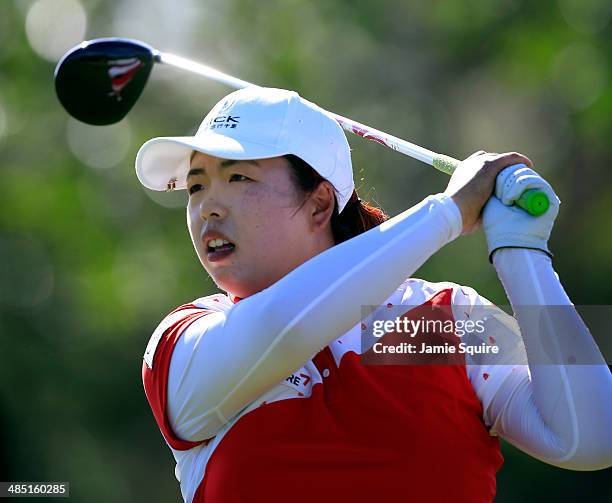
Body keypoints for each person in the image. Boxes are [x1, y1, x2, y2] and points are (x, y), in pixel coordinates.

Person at [135, 87, 612, 503]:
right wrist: (446, 213)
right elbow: (283, 328)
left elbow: (591, 437)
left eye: (239, 177)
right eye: (195, 187)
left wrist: (520, 251)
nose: (207, 208)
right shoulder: (184, 341)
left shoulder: (442, 319)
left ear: (320, 203)